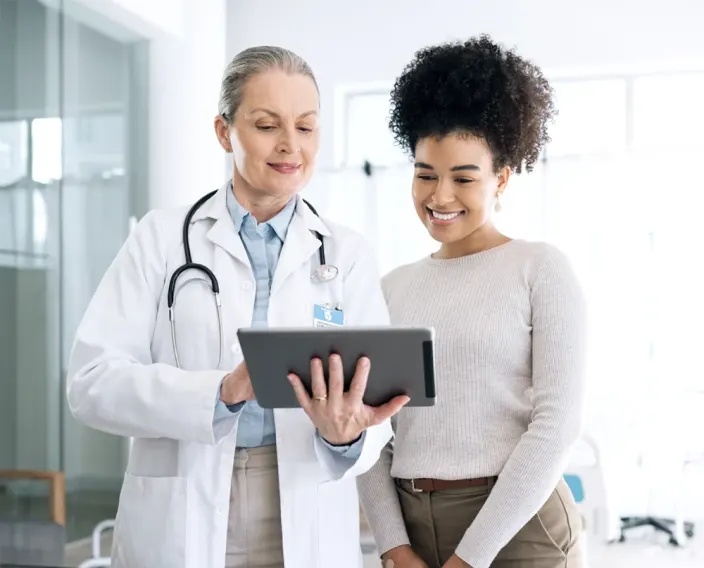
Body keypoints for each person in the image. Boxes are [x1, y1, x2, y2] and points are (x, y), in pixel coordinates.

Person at [66, 46, 408, 568]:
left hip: (300, 497)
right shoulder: (160, 239)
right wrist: (221, 392)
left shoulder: (346, 253)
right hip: (185, 503)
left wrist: (347, 433)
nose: (290, 145)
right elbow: (91, 383)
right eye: (267, 124)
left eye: (306, 126)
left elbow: (373, 397)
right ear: (226, 132)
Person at [357, 35, 587, 568]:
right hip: (411, 527)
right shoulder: (389, 287)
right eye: (425, 174)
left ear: (501, 178)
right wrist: (392, 544)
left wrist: (471, 556)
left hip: (519, 528)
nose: (440, 197)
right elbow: (367, 426)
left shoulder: (540, 268)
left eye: (464, 177)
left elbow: (556, 426)